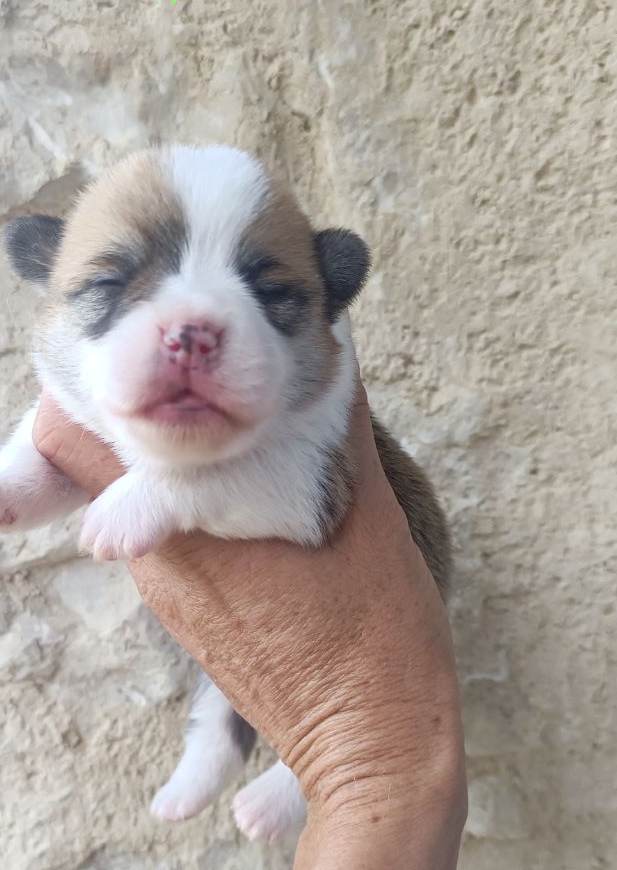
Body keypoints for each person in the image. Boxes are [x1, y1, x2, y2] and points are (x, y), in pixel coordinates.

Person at [32, 371, 468, 869]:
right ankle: (219, 745)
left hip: (375, 572)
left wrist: (168, 492)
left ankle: (288, 775)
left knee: (322, 675)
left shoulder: (281, 399)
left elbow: (297, 495)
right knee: (228, 659)